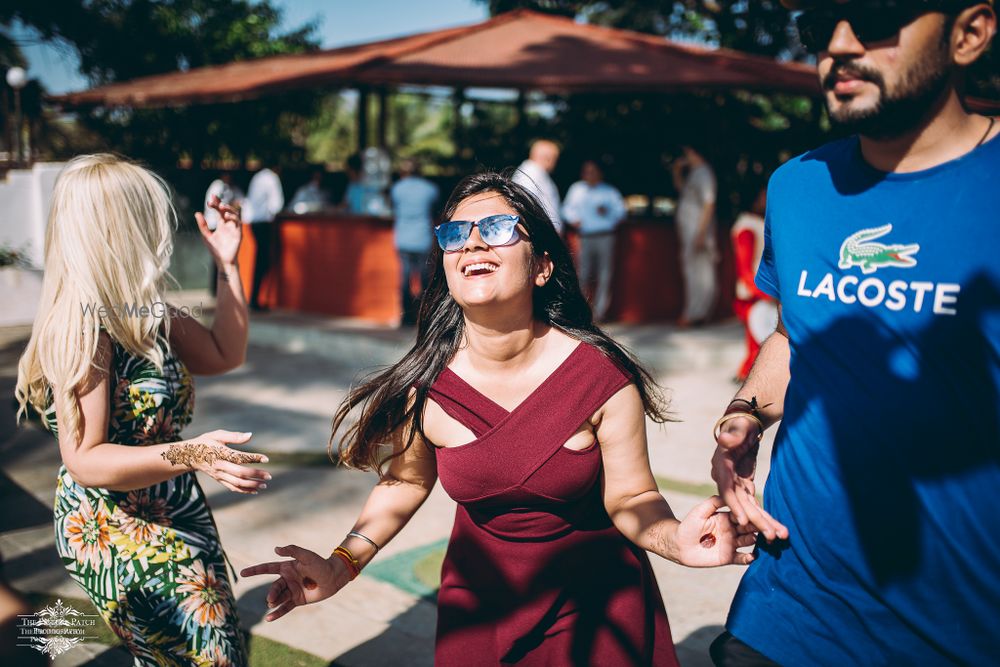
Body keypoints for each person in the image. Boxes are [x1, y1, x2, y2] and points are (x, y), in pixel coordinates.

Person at [242, 172, 756, 666]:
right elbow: (404, 481)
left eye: (497, 229)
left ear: (541, 267)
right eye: (455, 234)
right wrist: (340, 565)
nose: (472, 244)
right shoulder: (425, 385)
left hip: (596, 608)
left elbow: (632, 497)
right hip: (477, 610)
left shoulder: (600, 374)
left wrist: (675, 541)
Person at [710, 1, 998, 665]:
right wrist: (744, 413)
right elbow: (793, 332)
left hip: (964, 627)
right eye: (819, 26)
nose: (839, 43)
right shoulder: (797, 185)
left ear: (970, 33)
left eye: (872, 16)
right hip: (789, 610)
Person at [14, 154, 271, 666]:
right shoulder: (85, 329)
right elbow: (85, 461)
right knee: (207, 657)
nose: (162, 227)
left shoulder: (146, 311)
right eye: (148, 214)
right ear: (118, 227)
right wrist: (191, 453)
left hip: (175, 507)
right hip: (115, 523)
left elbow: (226, 352)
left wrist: (227, 263)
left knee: (203, 655)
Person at [562, 159, 627, 321]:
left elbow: (621, 213)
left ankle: (600, 314)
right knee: (583, 275)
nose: (589, 174)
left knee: (605, 275)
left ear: (599, 172)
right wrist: (574, 220)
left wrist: (609, 216)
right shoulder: (577, 189)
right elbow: (566, 209)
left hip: (606, 236)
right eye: (586, 171)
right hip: (585, 237)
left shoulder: (609, 192)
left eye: (592, 171)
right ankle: (584, 312)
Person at [729, 186, 772, 382]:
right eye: (763, 195)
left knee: (758, 344)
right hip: (753, 295)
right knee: (758, 343)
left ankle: (747, 376)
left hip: (759, 292)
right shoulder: (747, 226)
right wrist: (765, 293)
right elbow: (745, 268)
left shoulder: (757, 223)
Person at [672, 144, 719, 327]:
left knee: (700, 274)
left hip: (698, 233)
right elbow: (682, 191)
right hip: (691, 233)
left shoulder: (704, 173)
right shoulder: (695, 173)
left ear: (693, 152)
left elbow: (709, 203)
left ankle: (695, 313)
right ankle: (695, 313)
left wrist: (701, 233)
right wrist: (677, 172)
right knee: (693, 271)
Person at [389, 158, 439, 326]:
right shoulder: (430, 189)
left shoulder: (397, 189)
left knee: (405, 277)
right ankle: (426, 316)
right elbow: (435, 209)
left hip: (403, 238)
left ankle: (406, 317)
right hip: (423, 238)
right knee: (425, 279)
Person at [243, 163, 284, 311]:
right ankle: (256, 299)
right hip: (265, 224)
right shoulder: (272, 178)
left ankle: (255, 298)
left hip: (253, 223)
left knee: (260, 260)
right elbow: (276, 205)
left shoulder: (257, 177)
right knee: (263, 261)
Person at [204, 171, 244, 296]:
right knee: (218, 259)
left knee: (222, 259)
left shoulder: (229, 188)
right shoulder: (218, 186)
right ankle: (215, 290)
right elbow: (217, 203)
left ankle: (219, 290)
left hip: (219, 225)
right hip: (214, 225)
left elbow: (240, 200)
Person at [512, 139, 563, 234]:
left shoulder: (537, 172)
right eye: (554, 159)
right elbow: (527, 203)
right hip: (540, 231)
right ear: (548, 158)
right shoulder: (530, 172)